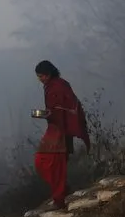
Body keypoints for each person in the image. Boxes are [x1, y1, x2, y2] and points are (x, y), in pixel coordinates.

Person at [34, 60, 90, 209]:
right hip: (53, 128)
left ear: (49, 73)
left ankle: (59, 199)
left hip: (62, 129)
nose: (40, 79)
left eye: (42, 76)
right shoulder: (50, 86)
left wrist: (52, 114)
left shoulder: (59, 85)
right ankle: (62, 189)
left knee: (56, 164)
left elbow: (69, 107)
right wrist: (48, 114)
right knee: (42, 162)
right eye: (39, 76)